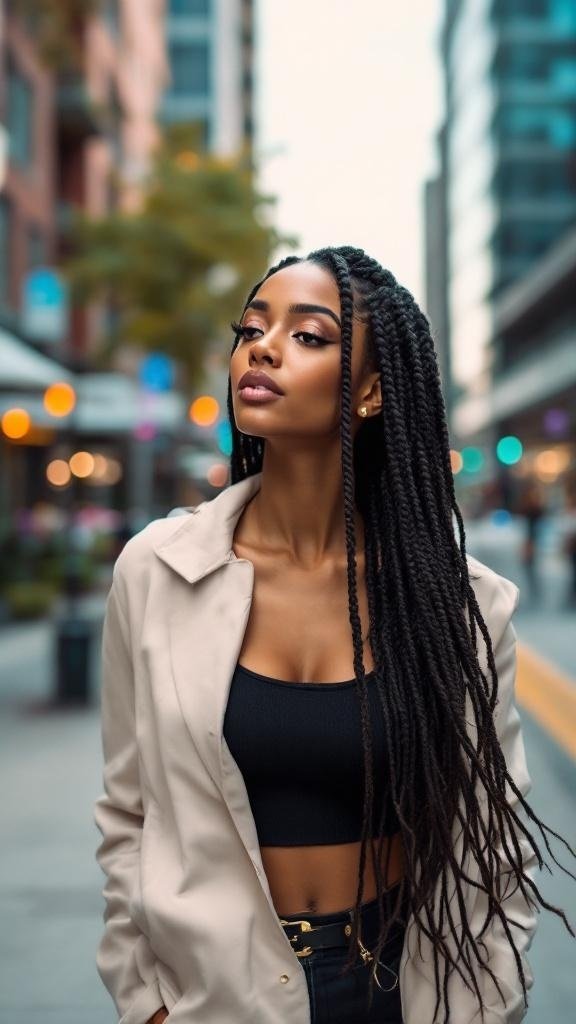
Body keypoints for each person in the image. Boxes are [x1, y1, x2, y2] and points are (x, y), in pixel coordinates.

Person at [94, 246, 572, 1024]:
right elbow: (128, 814)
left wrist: (490, 997)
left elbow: (494, 840)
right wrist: (145, 999)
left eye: (309, 336)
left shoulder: (455, 601)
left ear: (373, 392)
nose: (264, 347)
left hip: (405, 982)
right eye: (252, 328)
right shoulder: (155, 572)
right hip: (218, 994)